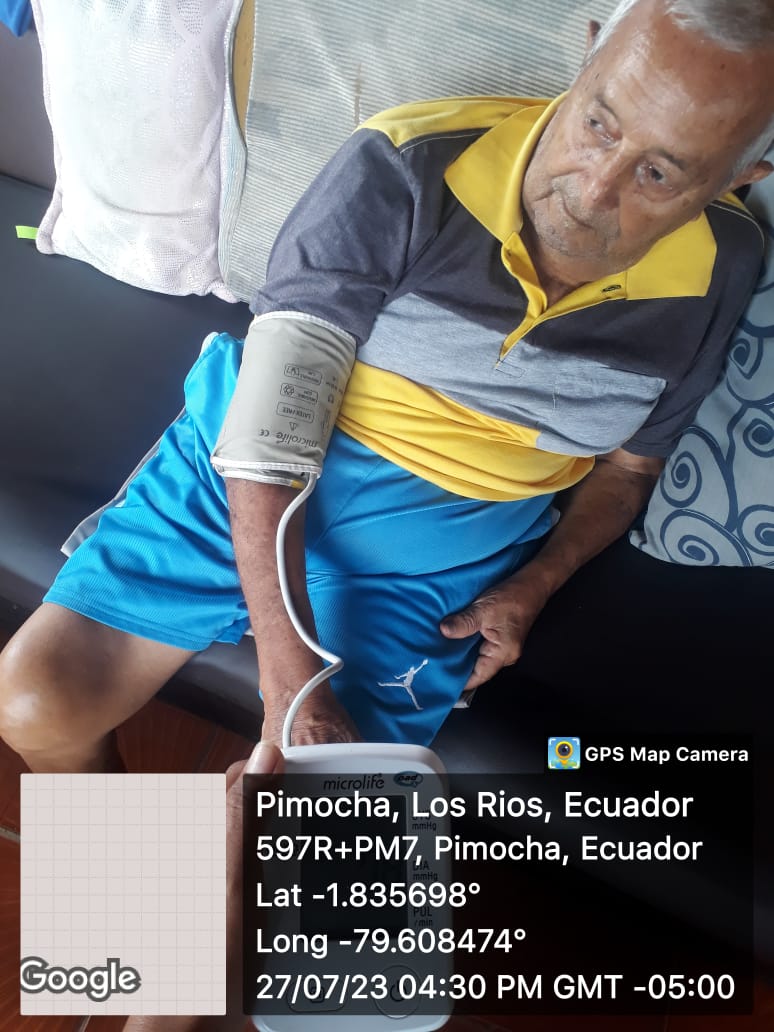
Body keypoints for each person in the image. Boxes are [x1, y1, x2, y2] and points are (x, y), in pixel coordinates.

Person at [1, 0, 773, 769]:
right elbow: (270, 436)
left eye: (658, 173)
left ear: (740, 176)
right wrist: (291, 685)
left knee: (328, 825)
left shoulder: (723, 265)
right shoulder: (407, 164)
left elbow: (630, 469)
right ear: (590, 52)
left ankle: (205, 853)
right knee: (34, 701)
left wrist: (537, 583)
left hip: (436, 563)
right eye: (599, 124)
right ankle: (125, 859)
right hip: (256, 475)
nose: (594, 190)